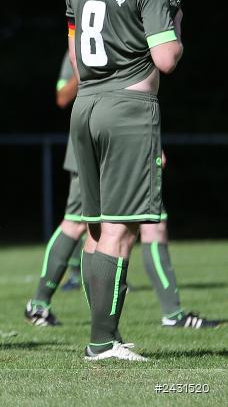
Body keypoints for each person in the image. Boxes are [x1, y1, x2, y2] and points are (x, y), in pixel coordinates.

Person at [66, 0, 183, 362]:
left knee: (95, 227)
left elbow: (75, 53)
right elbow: (167, 59)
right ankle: (101, 343)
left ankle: (104, 338)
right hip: (128, 111)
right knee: (121, 227)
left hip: (85, 105)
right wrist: (176, 26)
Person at [26, 52, 218, 330]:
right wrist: (84, 69)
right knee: (79, 223)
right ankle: (43, 305)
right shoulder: (83, 34)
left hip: (129, 135)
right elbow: (62, 96)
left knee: (154, 223)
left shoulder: (123, 28)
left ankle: (172, 314)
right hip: (97, 135)